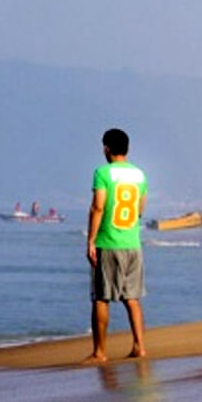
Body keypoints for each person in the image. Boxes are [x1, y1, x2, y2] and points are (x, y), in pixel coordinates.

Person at [84, 128, 147, 364]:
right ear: (127, 149)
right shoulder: (140, 175)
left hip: (108, 243)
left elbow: (98, 207)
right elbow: (140, 210)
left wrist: (91, 239)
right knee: (132, 298)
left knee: (101, 297)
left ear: (106, 149)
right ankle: (139, 346)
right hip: (133, 243)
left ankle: (100, 351)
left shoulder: (102, 173)